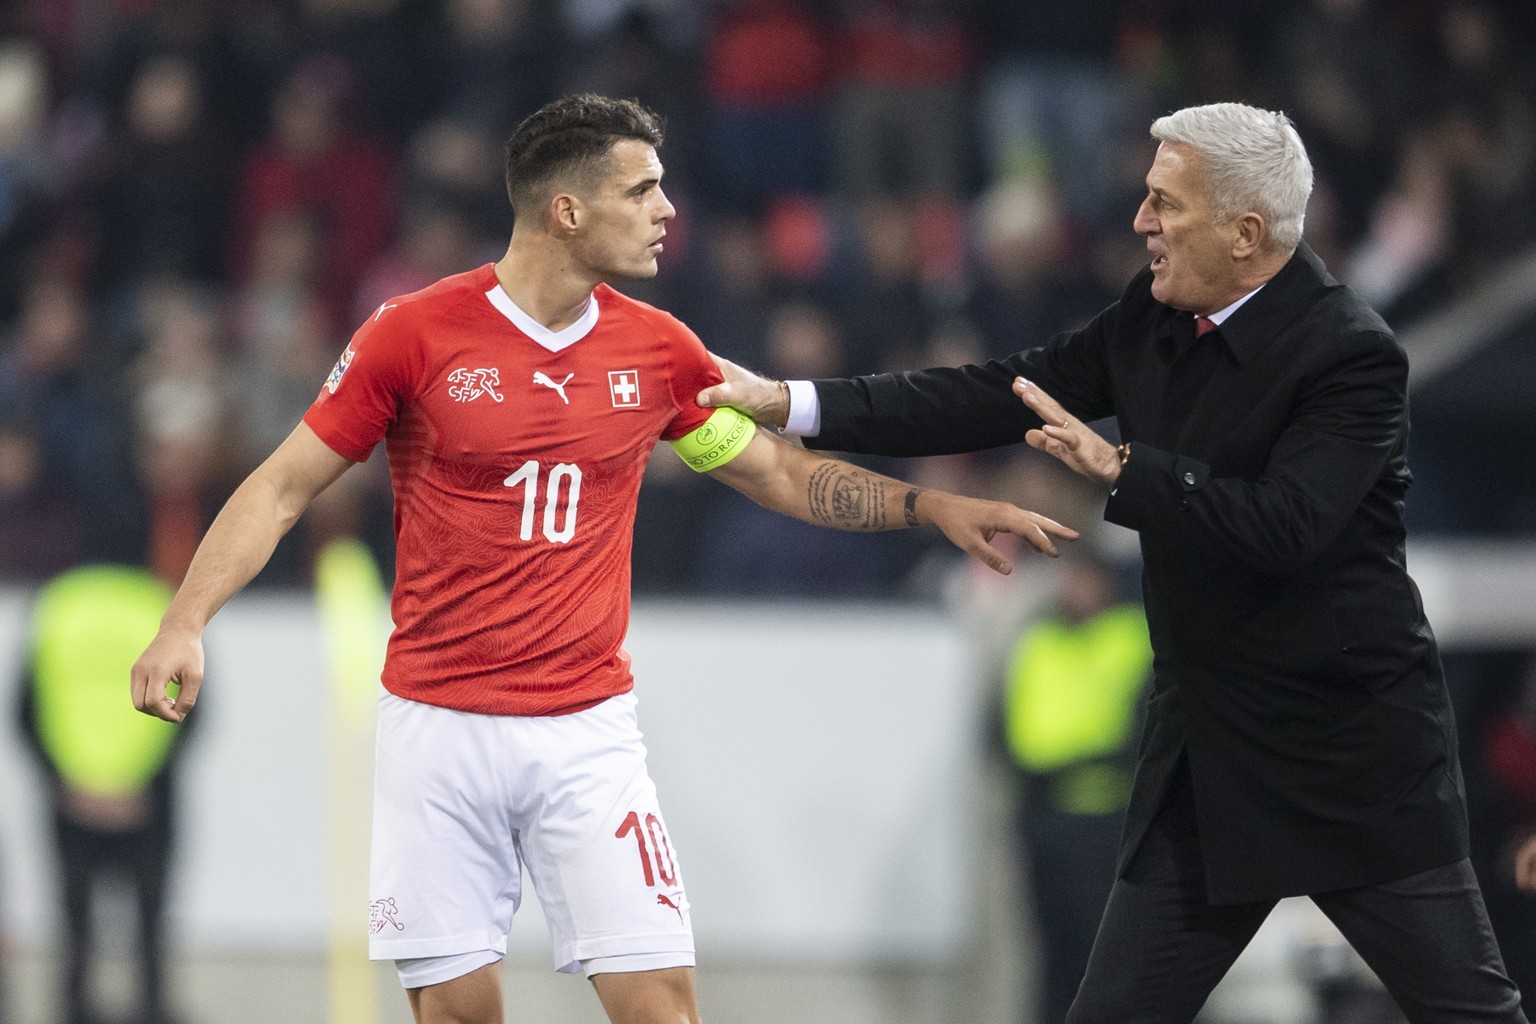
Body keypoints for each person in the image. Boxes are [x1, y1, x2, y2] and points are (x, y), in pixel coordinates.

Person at [129, 93, 1076, 1024]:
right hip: (438, 730)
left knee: (661, 1009)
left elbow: (778, 478)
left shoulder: (660, 351)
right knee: (456, 1014)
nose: (669, 212)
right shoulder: (410, 336)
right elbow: (281, 487)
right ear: (566, 209)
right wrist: (184, 622)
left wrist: (930, 506)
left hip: (587, 734)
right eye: (644, 191)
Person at [698, 101, 1528, 1023]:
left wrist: (1128, 471)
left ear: (1245, 231)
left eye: (1165, 203)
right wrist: (789, 401)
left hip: (1350, 761)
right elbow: (990, 391)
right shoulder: (1153, 317)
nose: (1140, 222)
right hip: (1207, 765)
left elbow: (1288, 526)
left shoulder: (1353, 356)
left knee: (1471, 1016)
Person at [19, 563, 194, 1024]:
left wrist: (65, 780)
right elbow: (196, 708)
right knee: (150, 927)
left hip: (72, 797)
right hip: (150, 801)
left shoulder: (57, 604)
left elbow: (24, 710)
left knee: (75, 926)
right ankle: (152, 1010)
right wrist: (146, 783)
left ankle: (75, 1010)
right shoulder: (162, 605)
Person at [995, 552, 1150, 1024]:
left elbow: (1141, 737)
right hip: (1043, 822)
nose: (1074, 588)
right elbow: (999, 726)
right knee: (1050, 951)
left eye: (1086, 577)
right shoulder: (1037, 639)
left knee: (1103, 955)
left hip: (1108, 823)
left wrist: (1064, 766)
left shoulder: (1134, 639)